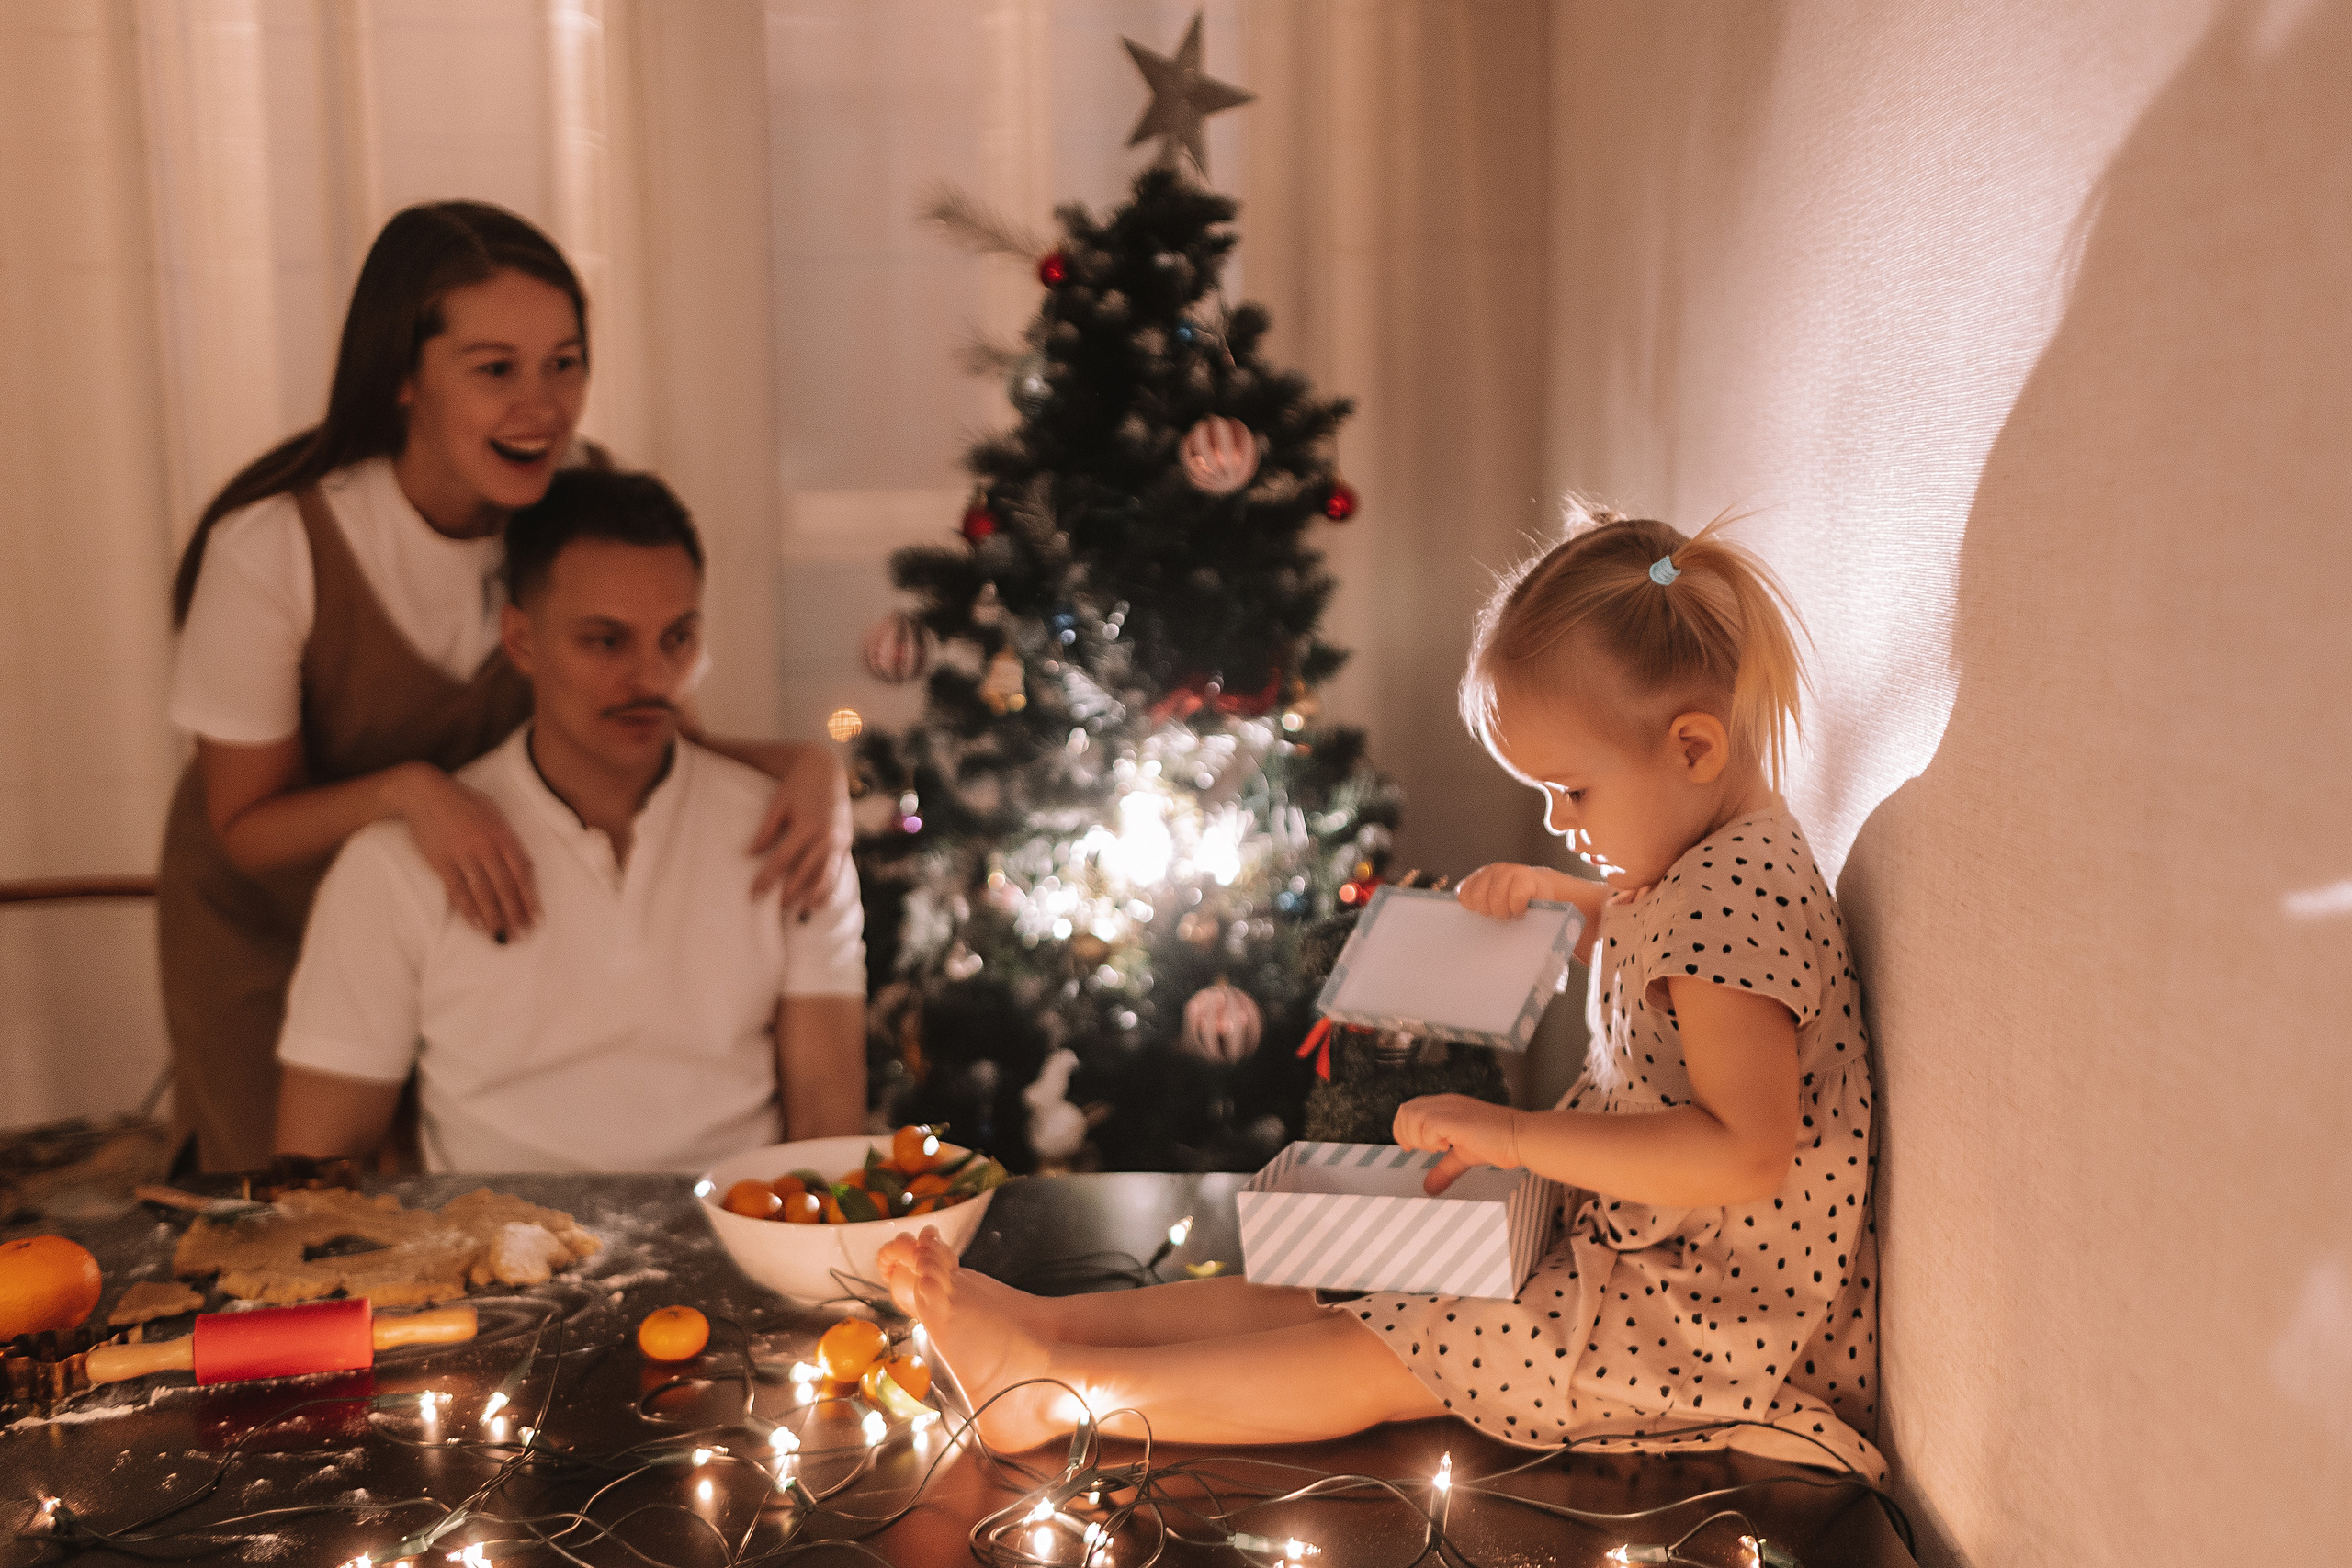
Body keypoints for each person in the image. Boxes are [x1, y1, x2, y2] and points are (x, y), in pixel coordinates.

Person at [877, 505, 1884, 1478]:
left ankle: (1058, 1390)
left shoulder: (1732, 903)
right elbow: (1664, 972)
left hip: (1699, 1319)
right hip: (1632, 1252)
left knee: (1389, 1350)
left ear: (1694, 748)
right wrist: (1572, 908)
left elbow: (1746, 1151)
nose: (1560, 822)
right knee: (1346, 1286)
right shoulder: (1703, 867)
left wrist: (1512, 1135)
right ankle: (1045, 1324)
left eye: (1570, 791)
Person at [162, 201, 847, 1171]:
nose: (543, 406)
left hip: (471, 930)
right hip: (272, 923)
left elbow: (650, 716)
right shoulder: (275, 550)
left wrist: (806, 766)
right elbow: (244, 827)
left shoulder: (577, 508)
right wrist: (412, 794)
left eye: (564, 363)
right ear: (403, 377)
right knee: (284, 1223)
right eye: (496, 370)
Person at [270, 468, 865, 1173]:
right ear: (520, 640)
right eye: (607, 642)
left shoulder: (790, 834)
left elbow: (829, 1134)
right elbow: (312, 1165)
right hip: (497, 1262)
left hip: (735, 1244)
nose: (651, 677)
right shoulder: (397, 864)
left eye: (676, 638)